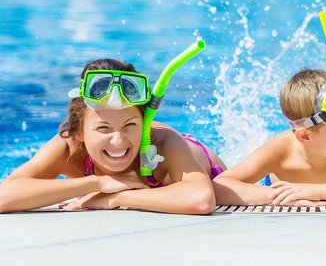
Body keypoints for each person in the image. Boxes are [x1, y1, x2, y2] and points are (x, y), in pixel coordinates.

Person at [0, 58, 223, 214]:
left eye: (130, 125)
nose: (118, 141)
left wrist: (117, 197)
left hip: (208, 168)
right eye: (103, 128)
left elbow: (201, 199)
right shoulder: (70, 147)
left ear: (144, 124)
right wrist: (98, 183)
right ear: (79, 132)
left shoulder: (163, 142)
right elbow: (4, 196)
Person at [213, 68, 326, 206]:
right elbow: (220, 187)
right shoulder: (280, 151)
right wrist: (281, 197)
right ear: (305, 137)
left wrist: (313, 191)